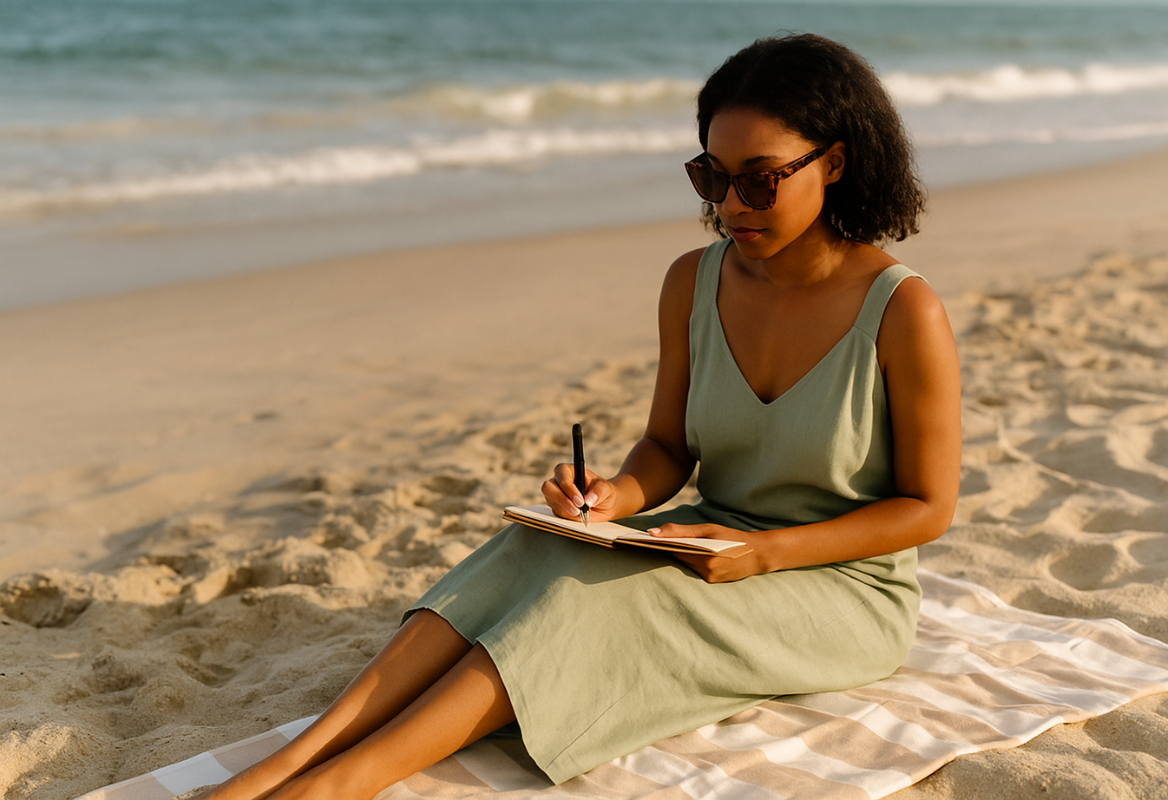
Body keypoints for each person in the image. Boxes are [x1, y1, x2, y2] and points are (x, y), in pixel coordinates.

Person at [196, 33, 960, 800]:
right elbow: (667, 446)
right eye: (711, 177)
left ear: (832, 161)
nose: (729, 205)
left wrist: (763, 554)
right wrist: (612, 499)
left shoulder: (902, 311)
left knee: (604, 602)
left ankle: (334, 787)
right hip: (703, 537)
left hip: (838, 585)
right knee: (529, 550)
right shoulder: (692, 283)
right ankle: (290, 762)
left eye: (758, 182)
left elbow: (928, 507)